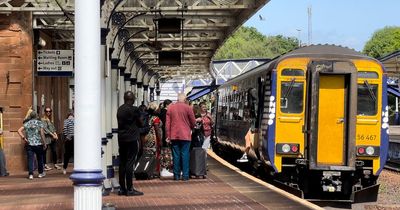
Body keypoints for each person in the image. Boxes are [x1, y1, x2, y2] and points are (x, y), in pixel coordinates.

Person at [117, 91, 144, 196]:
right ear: (132, 99)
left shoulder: (120, 109)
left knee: (122, 162)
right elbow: (141, 123)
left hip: (121, 138)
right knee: (130, 163)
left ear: (124, 99)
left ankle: (122, 188)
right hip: (132, 138)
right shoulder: (134, 110)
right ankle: (130, 189)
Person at [166, 93, 196, 181]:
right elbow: (193, 122)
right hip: (185, 135)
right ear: (185, 99)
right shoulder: (188, 108)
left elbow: (167, 124)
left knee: (176, 155)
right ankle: (185, 176)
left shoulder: (170, 108)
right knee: (185, 155)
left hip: (174, 135)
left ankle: (176, 175)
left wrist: (168, 135)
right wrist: (191, 127)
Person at [17, 110, 46, 180]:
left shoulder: (27, 123)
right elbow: (42, 134)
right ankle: (40, 173)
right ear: (36, 116)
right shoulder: (39, 123)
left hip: (29, 144)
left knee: (30, 159)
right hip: (38, 144)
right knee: (40, 159)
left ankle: (31, 174)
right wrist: (44, 143)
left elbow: (19, 130)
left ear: (30, 116)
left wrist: (24, 138)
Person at [142, 102, 163, 176]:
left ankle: (147, 169)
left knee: (148, 153)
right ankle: (154, 170)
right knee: (155, 153)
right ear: (155, 110)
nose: (159, 110)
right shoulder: (156, 118)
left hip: (147, 137)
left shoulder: (148, 117)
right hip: (154, 138)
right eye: (158, 109)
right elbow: (157, 130)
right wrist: (160, 140)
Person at [62, 109, 74, 175]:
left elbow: (64, 130)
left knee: (67, 154)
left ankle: (64, 168)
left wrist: (67, 137)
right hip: (76, 139)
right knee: (76, 154)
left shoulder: (66, 121)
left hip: (69, 139)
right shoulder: (76, 120)